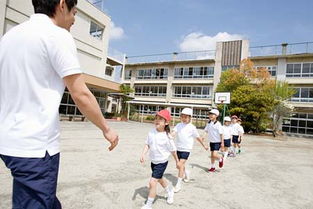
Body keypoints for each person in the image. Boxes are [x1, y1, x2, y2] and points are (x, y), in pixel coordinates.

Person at [0, 1, 119, 208]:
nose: (74, 20)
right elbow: (80, 93)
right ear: (62, 5)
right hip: (36, 148)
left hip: (8, 141)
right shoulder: (56, 34)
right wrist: (106, 128)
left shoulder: (10, 36)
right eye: (74, 12)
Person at [140, 109, 180, 209]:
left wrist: (177, 162)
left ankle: (149, 205)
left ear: (166, 123)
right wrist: (143, 154)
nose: (157, 120)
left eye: (160, 119)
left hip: (162, 162)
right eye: (156, 118)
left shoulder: (167, 137)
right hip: (153, 161)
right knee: (160, 179)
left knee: (152, 182)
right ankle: (170, 191)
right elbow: (147, 144)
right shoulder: (151, 132)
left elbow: (173, 151)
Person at [171, 108, 208, 193]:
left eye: (186, 117)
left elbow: (198, 138)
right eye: (182, 116)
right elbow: (173, 132)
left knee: (179, 165)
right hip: (178, 148)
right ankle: (187, 174)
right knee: (180, 165)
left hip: (186, 149)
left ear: (190, 117)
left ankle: (178, 185)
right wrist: (171, 136)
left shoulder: (192, 127)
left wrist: (204, 145)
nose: (183, 118)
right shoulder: (178, 125)